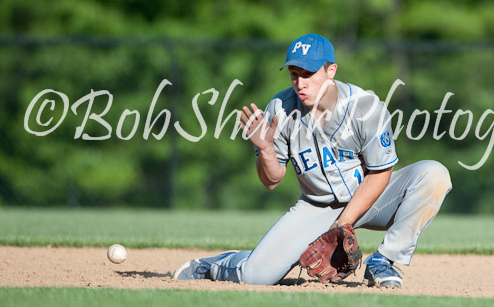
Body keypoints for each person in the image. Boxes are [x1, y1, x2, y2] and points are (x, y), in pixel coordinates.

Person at [174, 33, 452, 288]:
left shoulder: (365, 107)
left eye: (308, 73)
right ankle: (215, 265)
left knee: (433, 174)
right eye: (294, 74)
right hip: (316, 207)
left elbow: (381, 172)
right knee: (255, 277)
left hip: (371, 197)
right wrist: (266, 150)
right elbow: (271, 181)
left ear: (331, 71)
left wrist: (343, 224)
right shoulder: (280, 109)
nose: (300, 83)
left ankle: (383, 261)